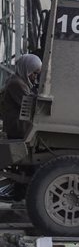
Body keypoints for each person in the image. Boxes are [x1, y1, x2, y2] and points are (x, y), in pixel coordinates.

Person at [0, 54, 42, 203]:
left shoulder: (21, 82)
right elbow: (30, 105)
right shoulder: (16, 84)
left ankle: (22, 192)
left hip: (20, 127)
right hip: (17, 128)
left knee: (28, 163)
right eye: (34, 72)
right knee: (31, 160)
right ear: (26, 69)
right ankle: (22, 192)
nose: (34, 76)